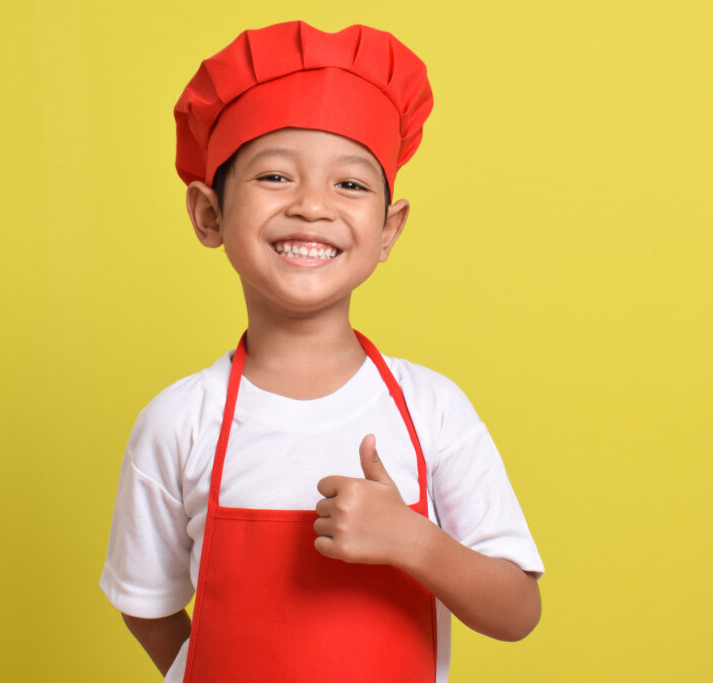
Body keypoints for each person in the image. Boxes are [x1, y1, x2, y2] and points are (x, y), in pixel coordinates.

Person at [100, 20, 544, 682]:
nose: (312, 206)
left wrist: (413, 539)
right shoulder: (178, 422)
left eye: (351, 184)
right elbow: (145, 604)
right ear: (209, 215)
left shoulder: (432, 412)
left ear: (389, 229)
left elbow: (517, 611)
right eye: (275, 176)